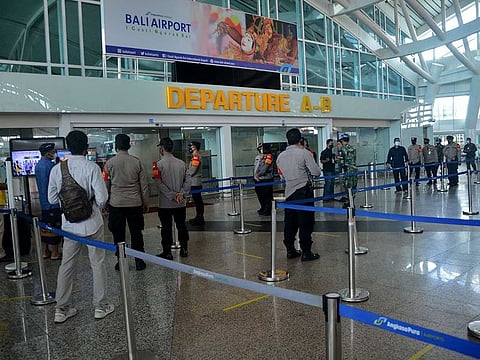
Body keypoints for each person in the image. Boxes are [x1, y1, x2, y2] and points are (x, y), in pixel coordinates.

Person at [48, 130, 113, 323]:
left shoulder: (57, 169)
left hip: (69, 226)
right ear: (86, 147)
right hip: (92, 224)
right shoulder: (91, 167)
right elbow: (102, 199)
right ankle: (100, 306)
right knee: (97, 264)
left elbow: (52, 198)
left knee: (67, 265)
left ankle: (61, 308)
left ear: (67, 146)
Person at [103, 134, 149, 271]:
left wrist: (105, 203)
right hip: (134, 203)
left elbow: (105, 184)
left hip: (116, 204)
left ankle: (121, 261)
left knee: (118, 234)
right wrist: (145, 202)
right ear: (129, 145)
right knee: (136, 233)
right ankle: (139, 261)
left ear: (115, 146)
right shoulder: (137, 162)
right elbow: (144, 185)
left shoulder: (109, 163)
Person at [276, 128, 321, 262]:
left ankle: (290, 249)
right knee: (305, 221)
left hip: (289, 191)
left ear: (287, 140)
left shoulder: (280, 156)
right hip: (303, 190)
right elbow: (316, 172)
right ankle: (306, 252)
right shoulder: (304, 153)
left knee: (290, 221)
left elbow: (282, 175)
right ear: (300, 139)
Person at [155, 137, 191, 259]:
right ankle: (184, 248)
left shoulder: (157, 165)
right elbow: (188, 181)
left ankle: (167, 251)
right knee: (181, 225)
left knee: (166, 227)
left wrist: (171, 195)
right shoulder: (182, 163)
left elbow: (158, 184)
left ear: (162, 148)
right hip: (180, 203)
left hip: (165, 204)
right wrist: (181, 193)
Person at [35, 143, 62, 260]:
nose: (54, 153)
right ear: (47, 153)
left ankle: (45, 252)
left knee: (45, 227)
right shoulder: (50, 166)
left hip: (43, 202)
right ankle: (55, 253)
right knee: (55, 227)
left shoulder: (38, 165)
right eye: (53, 151)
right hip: (53, 202)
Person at [253, 143, 274, 215]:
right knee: (260, 194)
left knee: (267, 195)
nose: (260, 149)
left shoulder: (269, 157)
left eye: (261, 148)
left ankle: (268, 209)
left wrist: (258, 174)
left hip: (266, 178)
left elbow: (265, 167)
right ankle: (263, 207)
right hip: (258, 179)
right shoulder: (258, 156)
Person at [187, 141, 205, 226]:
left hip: (195, 182)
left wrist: (186, 176)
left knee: (198, 201)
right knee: (197, 200)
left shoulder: (196, 157)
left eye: (192, 147)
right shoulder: (194, 157)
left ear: (196, 148)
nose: (190, 148)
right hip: (194, 181)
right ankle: (199, 217)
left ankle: (200, 217)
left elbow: (193, 170)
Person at [337, 134, 357, 208]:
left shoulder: (343, 149)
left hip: (348, 170)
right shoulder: (353, 148)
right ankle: (352, 202)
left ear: (342, 141)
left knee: (348, 187)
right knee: (353, 187)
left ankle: (350, 203)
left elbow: (342, 161)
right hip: (354, 169)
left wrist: (337, 159)